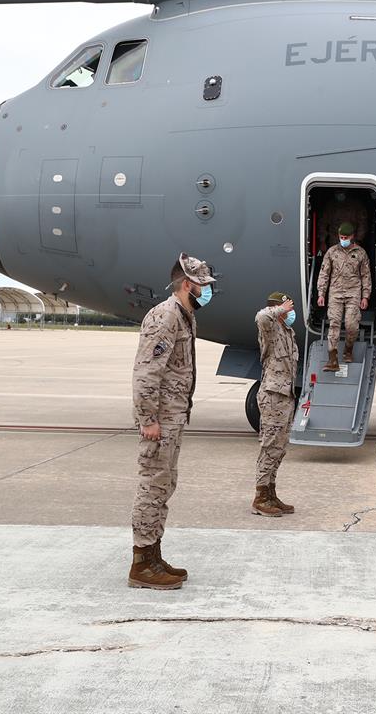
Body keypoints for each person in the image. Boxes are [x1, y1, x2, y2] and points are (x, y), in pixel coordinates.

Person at [129, 252, 215, 590]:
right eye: (202, 286)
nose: (206, 292)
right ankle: (141, 563)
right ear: (186, 284)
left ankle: (153, 555)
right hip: (160, 421)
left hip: (173, 417)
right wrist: (148, 418)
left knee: (164, 485)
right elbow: (146, 372)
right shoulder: (165, 317)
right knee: (152, 486)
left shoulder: (184, 315)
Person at [253, 291, 300, 517]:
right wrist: (279, 309)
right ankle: (260, 496)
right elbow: (261, 316)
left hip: (285, 395)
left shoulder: (287, 332)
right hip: (273, 395)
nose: (292, 313)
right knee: (270, 445)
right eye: (289, 309)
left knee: (279, 448)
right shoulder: (270, 328)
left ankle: (271, 493)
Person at [316, 222, 371, 372]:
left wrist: (365, 296)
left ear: (352, 236)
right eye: (341, 237)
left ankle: (348, 350)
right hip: (335, 293)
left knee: (351, 325)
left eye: (346, 237)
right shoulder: (332, 252)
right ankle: (332, 359)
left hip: (353, 293)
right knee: (333, 324)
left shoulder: (360, 253)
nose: (343, 239)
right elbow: (324, 273)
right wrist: (321, 294)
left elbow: (366, 276)